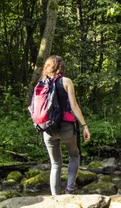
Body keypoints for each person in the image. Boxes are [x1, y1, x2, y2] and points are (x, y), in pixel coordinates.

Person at [38, 56, 91, 195]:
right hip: (66, 126)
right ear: (61, 67)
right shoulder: (66, 81)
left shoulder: (41, 83)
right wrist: (84, 125)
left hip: (48, 128)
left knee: (55, 164)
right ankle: (70, 189)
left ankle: (55, 197)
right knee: (74, 155)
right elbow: (73, 106)